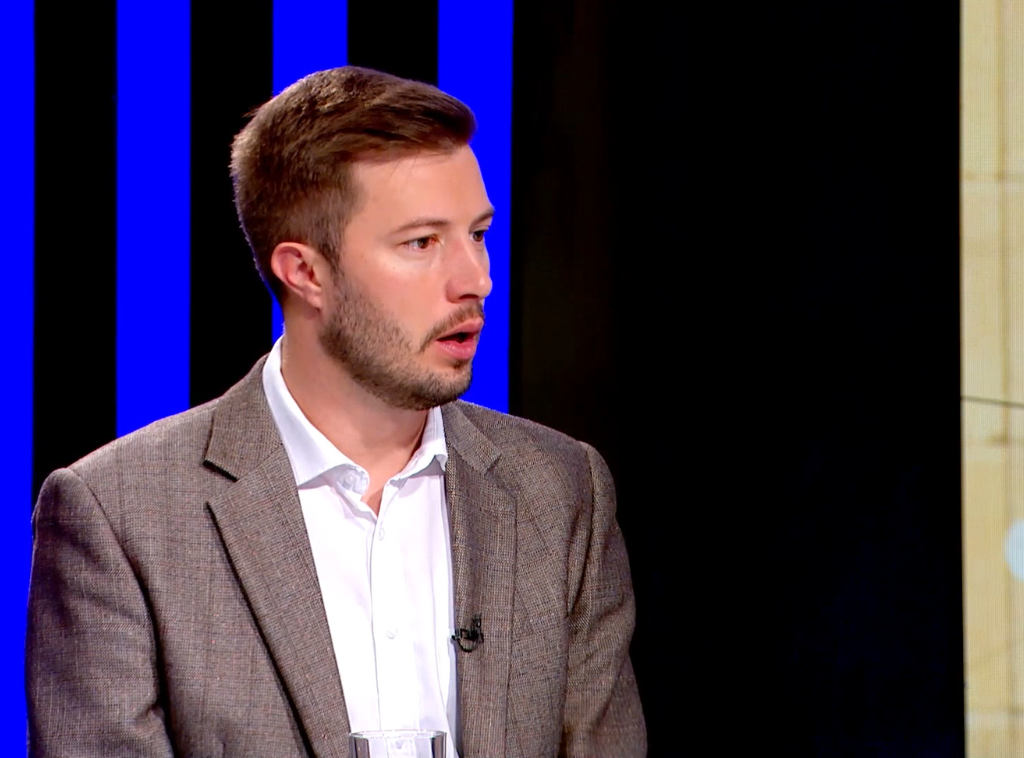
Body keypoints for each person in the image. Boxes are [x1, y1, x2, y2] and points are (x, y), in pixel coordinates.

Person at [26, 66, 646, 757]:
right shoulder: (120, 515)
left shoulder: (560, 490)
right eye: (422, 242)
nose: (477, 280)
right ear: (305, 272)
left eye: (477, 234)